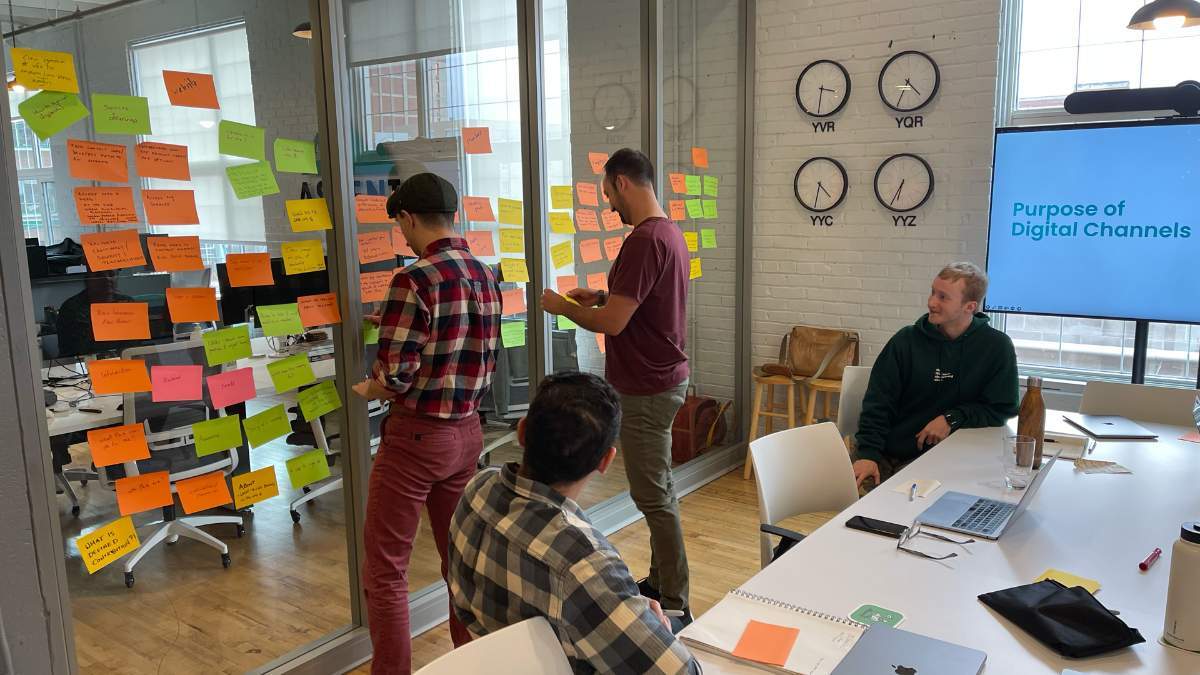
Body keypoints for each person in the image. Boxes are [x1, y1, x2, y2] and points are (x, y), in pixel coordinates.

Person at [449, 372, 699, 674]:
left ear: (522, 432)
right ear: (606, 461)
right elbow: (683, 671)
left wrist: (623, 611)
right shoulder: (583, 563)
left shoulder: (478, 490)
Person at [351, 172, 501, 674]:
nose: (403, 237)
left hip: (416, 441)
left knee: (386, 572)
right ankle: (472, 663)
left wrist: (370, 387)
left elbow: (397, 376)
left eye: (401, 226)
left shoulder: (411, 279)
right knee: (458, 561)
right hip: (466, 434)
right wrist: (392, 322)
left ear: (408, 219)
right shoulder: (485, 273)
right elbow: (471, 346)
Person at [540, 148, 693, 625]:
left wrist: (563, 307)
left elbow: (614, 323)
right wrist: (600, 294)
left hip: (648, 386)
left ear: (623, 182)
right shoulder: (667, 232)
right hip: (661, 379)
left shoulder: (645, 240)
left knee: (653, 498)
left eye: (609, 194)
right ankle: (662, 580)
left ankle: (675, 601)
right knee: (658, 489)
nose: (609, 207)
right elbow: (636, 302)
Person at [852, 262, 1019, 488]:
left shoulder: (996, 347)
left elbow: (1002, 408)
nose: (931, 302)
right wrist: (868, 454)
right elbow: (878, 402)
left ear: (970, 306)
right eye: (933, 292)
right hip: (887, 453)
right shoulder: (905, 341)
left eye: (943, 297)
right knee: (856, 506)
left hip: (945, 461)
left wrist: (952, 418)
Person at [55, 270, 134, 358]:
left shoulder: (127, 303)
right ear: (87, 279)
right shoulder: (72, 308)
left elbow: (134, 345)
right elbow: (72, 351)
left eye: (111, 274)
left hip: (123, 362)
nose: (107, 279)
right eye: (98, 275)